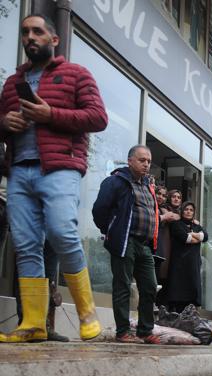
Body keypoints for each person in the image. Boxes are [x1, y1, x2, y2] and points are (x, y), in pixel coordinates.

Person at [0, 14, 108, 343]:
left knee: (63, 232)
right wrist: (5, 124)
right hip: (19, 171)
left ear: (54, 39)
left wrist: (51, 114)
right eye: (25, 32)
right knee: (26, 246)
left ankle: (87, 312)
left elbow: (98, 117)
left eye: (37, 31)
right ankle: (33, 323)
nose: (30, 37)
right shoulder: (12, 83)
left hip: (60, 167)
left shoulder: (76, 74)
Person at [92, 145, 160, 344]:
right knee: (122, 285)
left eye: (149, 161)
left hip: (145, 244)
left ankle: (145, 331)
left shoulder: (148, 186)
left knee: (150, 287)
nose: (146, 164)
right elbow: (99, 210)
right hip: (125, 241)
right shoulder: (116, 181)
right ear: (130, 161)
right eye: (142, 160)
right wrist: (111, 230)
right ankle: (122, 331)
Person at [167, 202, 207, 313]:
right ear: (182, 211)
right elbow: (185, 238)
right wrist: (197, 236)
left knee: (192, 293)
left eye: (191, 210)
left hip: (193, 264)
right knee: (179, 294)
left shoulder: (196, 226)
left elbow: (205, 236)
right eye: (186, 209)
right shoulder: (176, 224)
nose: (189, 212)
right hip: (180, 265)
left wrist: (192, 234)